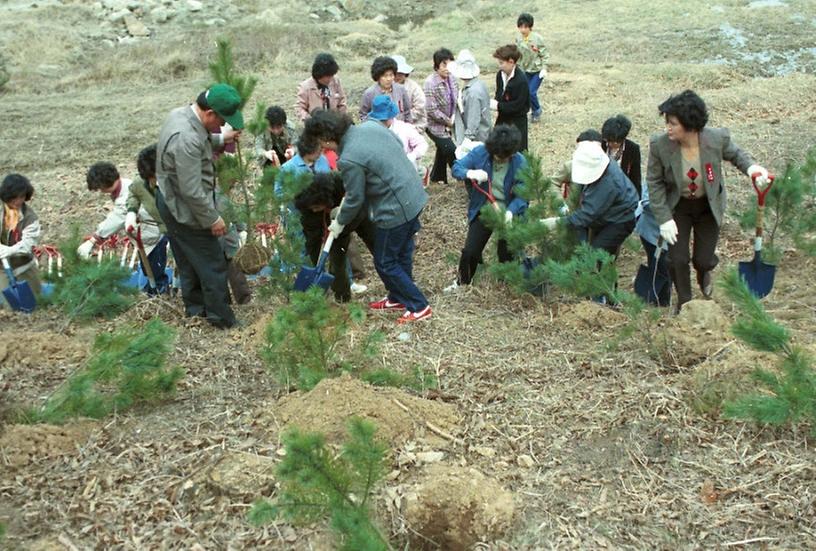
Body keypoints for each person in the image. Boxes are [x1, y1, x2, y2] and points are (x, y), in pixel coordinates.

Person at [304, 109, 432, 323]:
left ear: (326, 138)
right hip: (414, 193)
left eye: (319, 140)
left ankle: (419, 305)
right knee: (400, 253)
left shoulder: (347, 158)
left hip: (396, 207)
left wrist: (339, 222)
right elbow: (397, 144)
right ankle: (398, 297)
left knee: (385, 262)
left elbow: (355, 199)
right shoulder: (371, 124)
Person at [646, 89, 770, 308]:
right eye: (667, 122)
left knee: (702, 259)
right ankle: (686, 303)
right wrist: (664, 218)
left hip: (707, 206)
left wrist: (752, 170)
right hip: (679, 207)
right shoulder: (660, 145)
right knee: (677, 259)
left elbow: (736, 155)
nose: (668, 128)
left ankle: (704, 274)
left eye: (673, 123)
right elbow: (654, 182)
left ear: (689, 124)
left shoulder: (715, 139)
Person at [155, 83, 244, 329]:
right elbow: (192, 191)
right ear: (210, 113)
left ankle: (196, 311)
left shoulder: (180, 114)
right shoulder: (188, 139)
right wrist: (212, 219)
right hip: (185, 207)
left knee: (188, 260)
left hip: (169, 199)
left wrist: (220, 138)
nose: (222, 126)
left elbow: (200, 139)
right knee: (212, 261)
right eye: (221, 122)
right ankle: (222, 320)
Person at [447, 125, 528, 291]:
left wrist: (511, 212)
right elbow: (457, 167)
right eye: (496, 156)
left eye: (503, 157)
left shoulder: (520, 162)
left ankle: (507, 283)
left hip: (509, 211)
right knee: (470, 251)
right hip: (485, 208)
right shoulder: (481, 153)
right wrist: (470, 173)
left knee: (507, 252)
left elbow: (524, 194)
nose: (499, 160)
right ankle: (462, 282)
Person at [541, 140, 638, 259]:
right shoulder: (599, 166)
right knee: (587, 250)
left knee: (596, 254)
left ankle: (600, 273)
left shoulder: (608, 183)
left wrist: (556, 223)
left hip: (620, 219)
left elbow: (587, 215)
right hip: (605, 213)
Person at [294, 171, 376, 303]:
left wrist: (343, 220)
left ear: (324, 199)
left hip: (358, 213)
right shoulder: (308, 211)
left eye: (316, 207)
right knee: (337, 264)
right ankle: (342, 298)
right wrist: (315, 265)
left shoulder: (338, 182)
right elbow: (312, 240)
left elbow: (358, 197)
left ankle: (395, 281)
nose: (314, 210)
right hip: (334, 226)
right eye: (312, 208)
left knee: (378, 246)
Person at [78, 161, 163, 278]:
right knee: (149, 271)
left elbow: (117, 218)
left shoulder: (126, 195)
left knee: (155, 273)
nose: (100, 191)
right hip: (147, 237)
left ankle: (159, 293)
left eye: (99, 188)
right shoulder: (125, 184)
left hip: (155, 236)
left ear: (103, 184)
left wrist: (93, 240)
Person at [125, 144, 171, 294]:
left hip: (185, 229)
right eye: (151, 178)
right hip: (163, 230)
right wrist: (131, 212)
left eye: (157, 176)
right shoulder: (141, 183)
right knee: (152, 267)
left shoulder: (181, 181)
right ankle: (159, 292)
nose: (155, 182)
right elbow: (133, 193)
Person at [0, 174, 41, 302]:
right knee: (8, 304)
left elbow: (29, 244)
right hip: (2, 268)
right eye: (14, 198)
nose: (18, 201)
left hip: (23, 266)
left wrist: (10, 250)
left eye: (22, 197)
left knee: (34, 302)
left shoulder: (30, 218)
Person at [423, 48, 458, 185]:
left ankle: (437, 177)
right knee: (450, 150)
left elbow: (456, 99)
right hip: (434, 125)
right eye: (444, 65)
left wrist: (454, 117)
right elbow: (431, 109)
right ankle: (461, 176)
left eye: (450, 65)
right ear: (437, 65)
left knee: (443, 149)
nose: (447, 68)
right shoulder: (430, 83)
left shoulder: (453, 79)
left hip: (450, 122)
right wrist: (448, 121)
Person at [633, 184, 671, 306]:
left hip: (673, 231)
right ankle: (658, 298)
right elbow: (646, 202)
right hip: (650, 229)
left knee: (666, 265)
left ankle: (663, 298)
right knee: (658, 263)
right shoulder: (655, 174)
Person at [492, 44, 530, 152]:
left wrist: (498, 106)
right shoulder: (500, 75)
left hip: (517, 121)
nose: (499, 66)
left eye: (501, 63)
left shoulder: (521, 80)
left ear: (511, 62)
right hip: (502, 119)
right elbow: (499, 93)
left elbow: (518, 106)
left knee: (516, 152)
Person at [451, 49, 492, 146]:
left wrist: (466, 142)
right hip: (484, 134)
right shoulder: (479, 84)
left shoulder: (473, 93)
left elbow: (473, 120)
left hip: (478, 140)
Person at [515, 13, 548, 124]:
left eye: (525, 27)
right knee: (524, 92)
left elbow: (544, 54)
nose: (523, 30)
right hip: (525, 70)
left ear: (530, 27)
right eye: (521, 27)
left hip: (536, 70)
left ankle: (537, 111)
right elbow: (518, 55)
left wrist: (544, 68)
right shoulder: (518, 38)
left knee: (531, 92)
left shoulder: (537, 39)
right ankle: (527, 111)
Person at [295, 53, 348, 123]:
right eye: (328, 76)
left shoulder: (336, 81)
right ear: (319, 74)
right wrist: (311, 121)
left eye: (332, 75)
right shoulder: (305, 87)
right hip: (315, 126)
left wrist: (340, 119)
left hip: (334, 123)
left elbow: (342, 102)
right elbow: (299, 108)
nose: (330, 79)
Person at [359, 56, 412, 123]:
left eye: (391, 75)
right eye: (385, 76)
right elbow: (363, 115)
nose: (389, 79)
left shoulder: (401, 89)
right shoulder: (369, 93)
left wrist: (407, 127)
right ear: (378, 76)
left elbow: (407, 112)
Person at [602, 114, 641, 196]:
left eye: (618, 141)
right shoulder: (600, 146)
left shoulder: (633, 149)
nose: (615, 144)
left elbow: (636, 178)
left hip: (622, 192)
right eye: (611, 141)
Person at [392, 55, 427, 132]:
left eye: (400, 73)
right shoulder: (387, 87)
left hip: (414, 126)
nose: (397, 76)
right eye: (395, 73)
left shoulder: (414, 87)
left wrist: (402, 119)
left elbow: (420, 107)